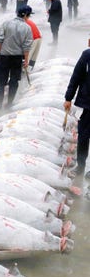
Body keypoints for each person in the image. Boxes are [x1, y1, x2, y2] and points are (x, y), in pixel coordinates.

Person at [0, 6, 33, 108]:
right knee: (14, 81)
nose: (29, 18)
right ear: (26, 15)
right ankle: (9, 104)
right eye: (29, 15)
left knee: (1, 81)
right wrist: (26, 60)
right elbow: (27, 46)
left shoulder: (6, 23)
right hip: (17, 58)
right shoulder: (27, 28)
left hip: (4, 56)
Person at [64, 37, 90, 175]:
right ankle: (81, 166)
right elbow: (76, 76)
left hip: (86, 102)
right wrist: (68, 97)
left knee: (84, 136)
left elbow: (76, 77)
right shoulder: (87, 56)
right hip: (87, 105)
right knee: (84, 136)